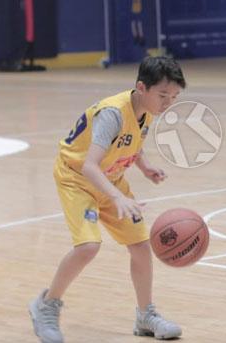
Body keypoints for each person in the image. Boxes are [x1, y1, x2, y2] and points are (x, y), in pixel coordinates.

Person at [29, 56, 186, 343]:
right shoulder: (112, 113)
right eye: (163, 95)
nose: (168, 103)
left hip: (110, 179)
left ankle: (145, 315)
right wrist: (116, 197)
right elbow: (90, 165)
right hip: (78, 179)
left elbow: (129, 141)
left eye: (174, 97)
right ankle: (46, 305)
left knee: (140, 246)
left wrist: (145, 167)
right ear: (141, 87)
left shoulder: (147, 110)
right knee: (88, 247)